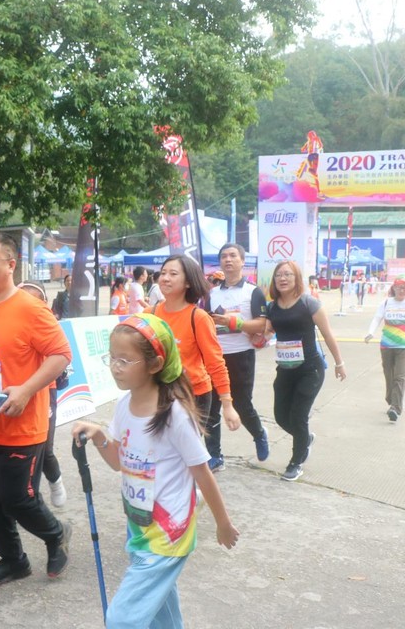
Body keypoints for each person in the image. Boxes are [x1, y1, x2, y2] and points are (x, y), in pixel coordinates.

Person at [71, 313, 239, 629]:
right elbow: (118, 462)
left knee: (121, 620)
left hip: (168, 534)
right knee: (162, 612)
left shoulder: (174, 414)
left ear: (155, 364)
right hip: (139, 525)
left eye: (125, 360)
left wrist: (223, 523)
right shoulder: (124, 405)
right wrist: (98, 436)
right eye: (112, 357)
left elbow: (202, 473)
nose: (115, 366)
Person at [0, 232, 72, 589]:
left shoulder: (31, 309)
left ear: (11, 264)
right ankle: (13, 561)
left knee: (18, 500)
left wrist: (26, 390)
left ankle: (57, 534)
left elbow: (61, 354)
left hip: (23, 427)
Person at [152, 255, 240, 472]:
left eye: (173, 274)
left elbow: (216, 363)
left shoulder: (198, 317)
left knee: (181, 457)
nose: (165, 278)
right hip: (160, 394)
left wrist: (227, 405)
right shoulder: (151, 314)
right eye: (163, 273)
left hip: (193, 396)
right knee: (159, 452)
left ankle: (191, 490)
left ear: (188, 282)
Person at [264, 260, 346, 482]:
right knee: (281, 416)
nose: (282, 278)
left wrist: (339, 363)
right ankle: (305, 439)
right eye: (279, 275)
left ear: (297, 278)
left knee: (298, 416)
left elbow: (328, 334)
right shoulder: (272, 307)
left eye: (288, 274)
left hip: (310, 369)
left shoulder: (309, 303)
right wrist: (258, 336)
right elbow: (267, 332)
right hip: (285, 369)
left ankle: (296, 462)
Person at [207, 243, 271, 463]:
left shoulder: (253, 292)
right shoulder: (212, 293)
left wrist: (233, 322)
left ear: (243, 261)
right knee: (211, 407)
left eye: (233, 256)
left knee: (242, 405)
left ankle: (259, 434)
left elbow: (261, 324)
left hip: (241, 355)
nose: (228, 259)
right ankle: (214, 455)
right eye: (224, 256)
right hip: (215, 357)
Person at [17, 280, 69, 508]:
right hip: (14, 392)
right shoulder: (10, 321)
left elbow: (61, 356)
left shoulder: (48, 325)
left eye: (33, 301)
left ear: (44, 303)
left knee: (43, 449)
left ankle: (55, 482)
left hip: (45, 391)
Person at [365, 274, 405, 422]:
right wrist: (370, 332)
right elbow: (377, 318)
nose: (402, 291)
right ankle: (391, 399)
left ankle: (395, 407)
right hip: (387, 345)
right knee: (389, 375)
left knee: (399, 376)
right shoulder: (386, 303)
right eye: (399, 287)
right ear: (394, 288)